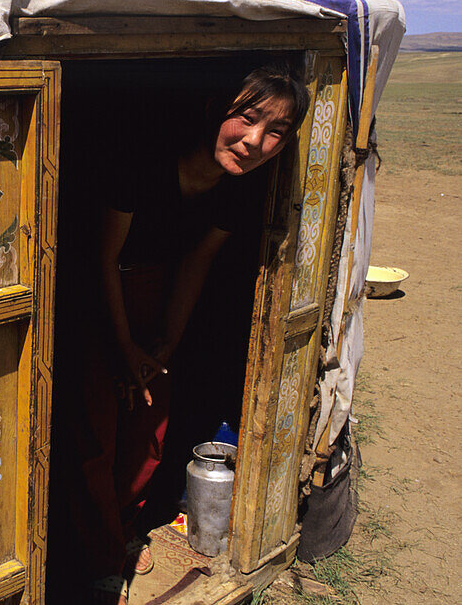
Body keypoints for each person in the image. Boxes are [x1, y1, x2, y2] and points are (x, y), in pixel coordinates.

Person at [51, 65, 310, 604]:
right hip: (99, 294)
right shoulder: (141, 158)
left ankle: (124, 530)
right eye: (247, 117)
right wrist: (125, 349)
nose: (255, 141)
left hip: (154, 296)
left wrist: (163, 346)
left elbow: (196, 264)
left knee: (151, 422)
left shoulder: (238, 188)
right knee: (95, 430)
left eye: (277, 132)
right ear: (219, 108)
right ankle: (98, 560)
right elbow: (105, 259)